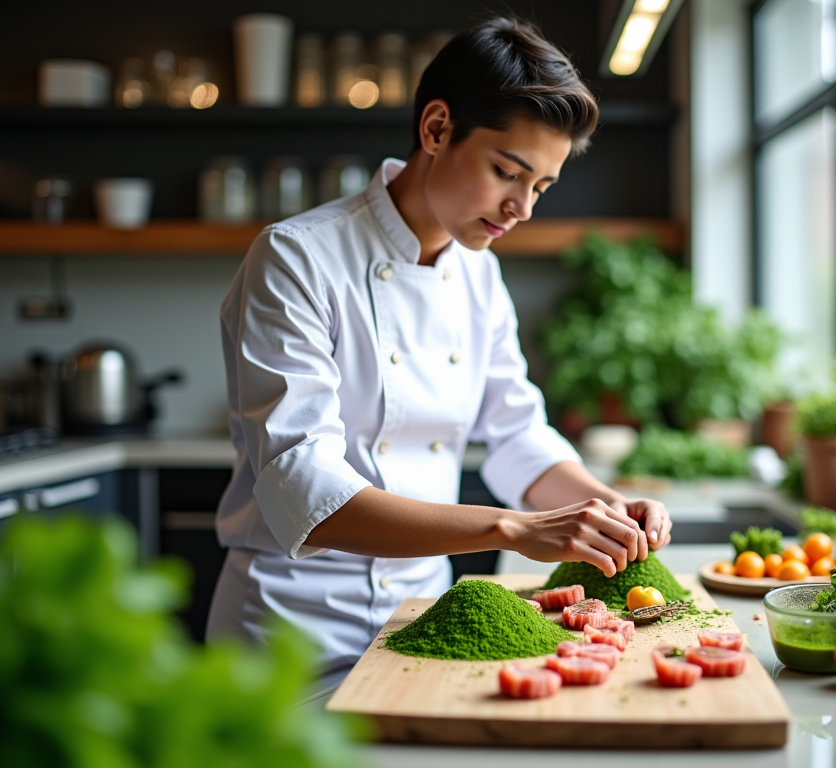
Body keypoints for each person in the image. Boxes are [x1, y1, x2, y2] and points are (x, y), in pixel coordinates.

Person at [206, 17, 673, 686]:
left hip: (423, 619)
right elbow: (303, 488)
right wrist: (514, 530)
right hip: (290, 631)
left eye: (540, 187)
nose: (522, 208)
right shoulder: (296, 257)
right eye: (507, 172)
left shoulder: (478, 273)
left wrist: (604, 507)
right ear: (435, 129)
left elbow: (517, 434)